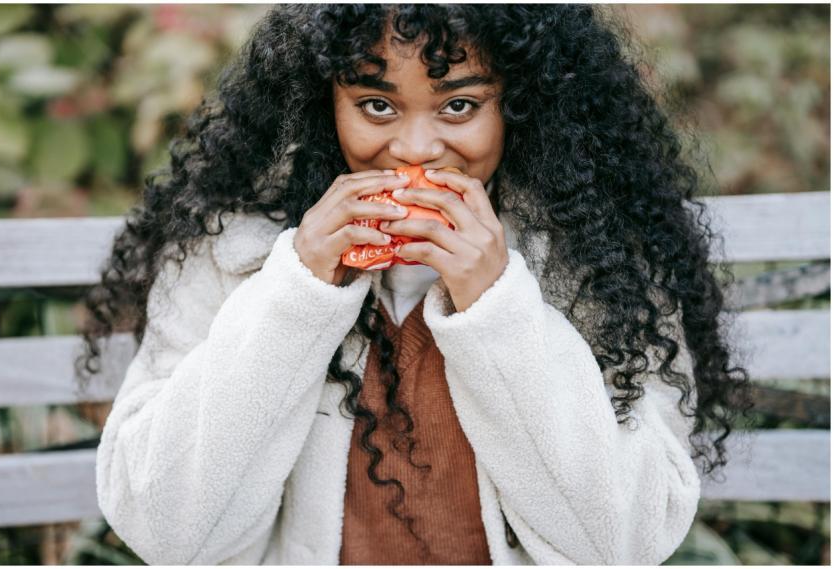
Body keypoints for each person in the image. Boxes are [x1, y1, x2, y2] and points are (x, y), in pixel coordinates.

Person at [78, 4, 754, 565]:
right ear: (325, 105)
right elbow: (166, 532)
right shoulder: (234, 251)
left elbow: (625, 544)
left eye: (459, 104)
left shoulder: (600, 260)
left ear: (519, 105)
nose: (415, 148)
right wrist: (296, 295)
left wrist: (498, 307)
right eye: (376, 104)